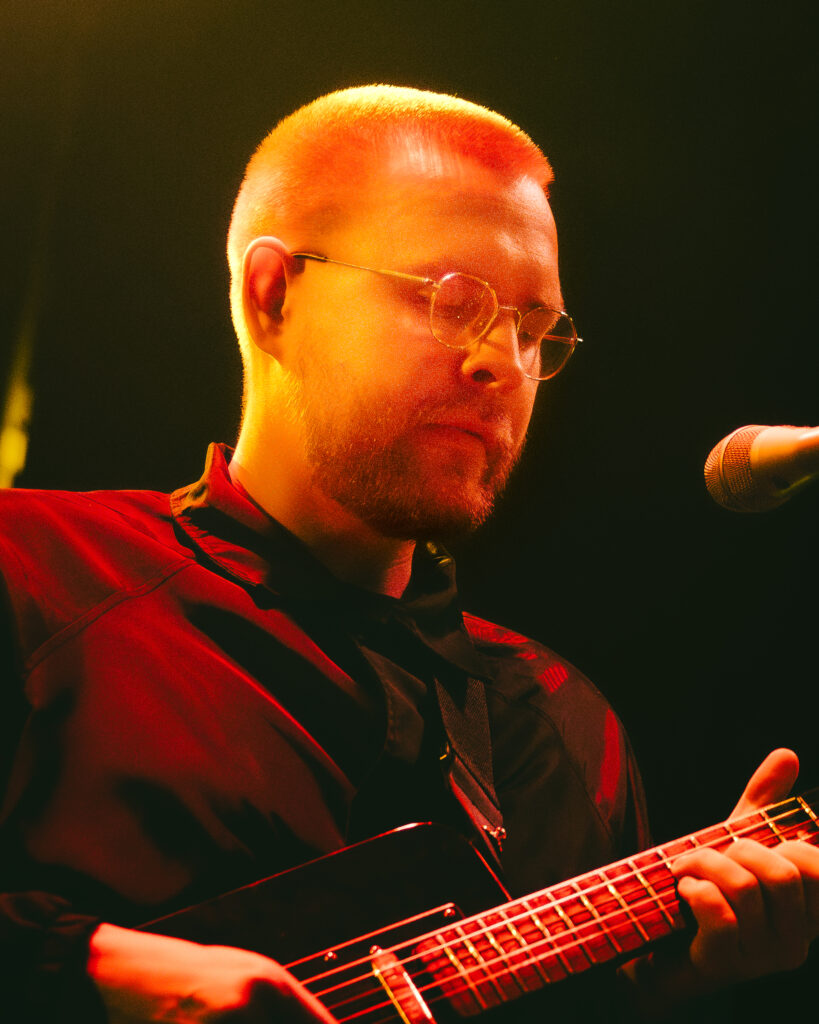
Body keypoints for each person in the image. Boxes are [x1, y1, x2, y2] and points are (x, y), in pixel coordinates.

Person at [0, 85, 817, 1023]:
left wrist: (662, 989)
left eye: (533, 329)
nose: (503, 363)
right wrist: (92, 970)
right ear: (273, 297)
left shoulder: (565, 732)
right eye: (454, 300)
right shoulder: (34, 571)